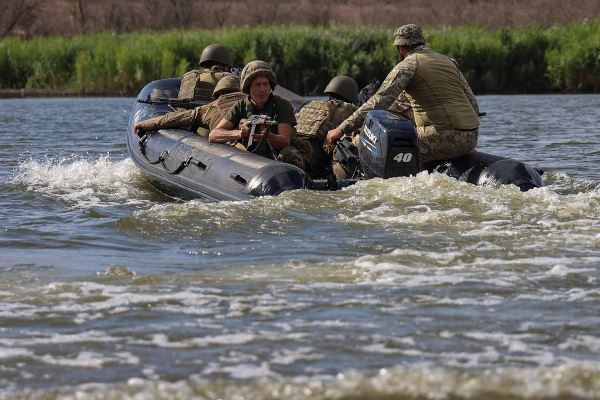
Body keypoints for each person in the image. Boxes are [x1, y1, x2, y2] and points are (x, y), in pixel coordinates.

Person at [326, 24, 480, 165]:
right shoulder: (448, 61)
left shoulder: (408, 65)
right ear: (422, 43)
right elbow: (472, 102)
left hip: (446, 136)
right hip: (472, 136)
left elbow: (378, 102)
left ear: (400, 48)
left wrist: (341, 129)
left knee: (364, 140)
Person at [209, 60, 296, 161]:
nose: (263, 89)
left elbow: (285, 141)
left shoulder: (281, 105)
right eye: (257, 85)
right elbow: (214, 135)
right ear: (248, 88)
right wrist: (240, 133)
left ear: (270, 86)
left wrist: (266, 136)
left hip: (276, 156)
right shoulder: (241, 106)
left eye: (265, 84)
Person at [278, 75, 359, 178]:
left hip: (293, 148)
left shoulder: (311, 104)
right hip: (310, 155)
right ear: (351, 95)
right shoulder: (348, 109)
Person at [134, 74, 245, 136]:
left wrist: (145, 124)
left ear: (218, 93)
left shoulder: (208, 109)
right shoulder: (252, 102)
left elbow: (175, 118)